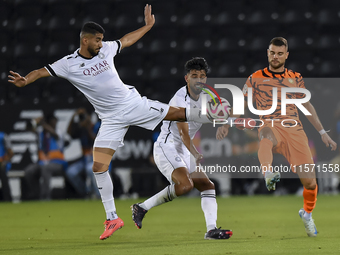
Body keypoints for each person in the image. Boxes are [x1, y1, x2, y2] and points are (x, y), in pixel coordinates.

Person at [8, 5, 210, 240]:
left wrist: (146, 27)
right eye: (97, 40)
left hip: (131, 103)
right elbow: (42, 71)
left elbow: (126, 40)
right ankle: (112, 218)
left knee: (176, 114)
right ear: (85, 40)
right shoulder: (69, 63)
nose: (102, 44)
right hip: (111, 119)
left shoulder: (105, 51)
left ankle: (212, 113)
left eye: (102, 40)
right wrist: (26, 80)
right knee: (98, 167)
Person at [216, 37, 337, 237]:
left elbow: (307, 106)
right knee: (264, 134)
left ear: (286, 55)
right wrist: (226, 122)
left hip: (294, 130)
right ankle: (268, 172)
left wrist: (323, 133)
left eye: (280, 53)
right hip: (270, 124)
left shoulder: (295, 77)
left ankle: (306, 214)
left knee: (311, 184)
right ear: (267, 52)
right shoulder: (254, 78)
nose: (275, 56)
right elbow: (241, 104)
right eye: (272, 52)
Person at [131, 57, 233, 240]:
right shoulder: (179, 99)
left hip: (185, 148)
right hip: (167, 145)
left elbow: (224, 109)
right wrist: (195, 153)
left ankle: (211, 230)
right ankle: (142, 207)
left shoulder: (208, 94)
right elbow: (184, 134)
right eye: (194, 76)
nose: (199, 80)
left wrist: (223, 125)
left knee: (208, 186)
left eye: (202, 76)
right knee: (185, 185)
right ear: (187, 78)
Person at [24, 114, 67, 200]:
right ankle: (38, 194)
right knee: (28, 171)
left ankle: (45, 197)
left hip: (57, 163)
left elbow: (55, 135)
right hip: (42, 162)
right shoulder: (41, 133)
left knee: (46, 169)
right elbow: (28, 128)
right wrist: (34, 121)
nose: (54, 123)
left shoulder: (58, 131)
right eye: (52, 121)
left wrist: (43, 124)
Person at [0, 131, 14, 202]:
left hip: (2, 163)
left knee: (2, 170)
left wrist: (4, 161)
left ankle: (7, 199)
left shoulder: (3, 136)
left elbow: (11, 153)